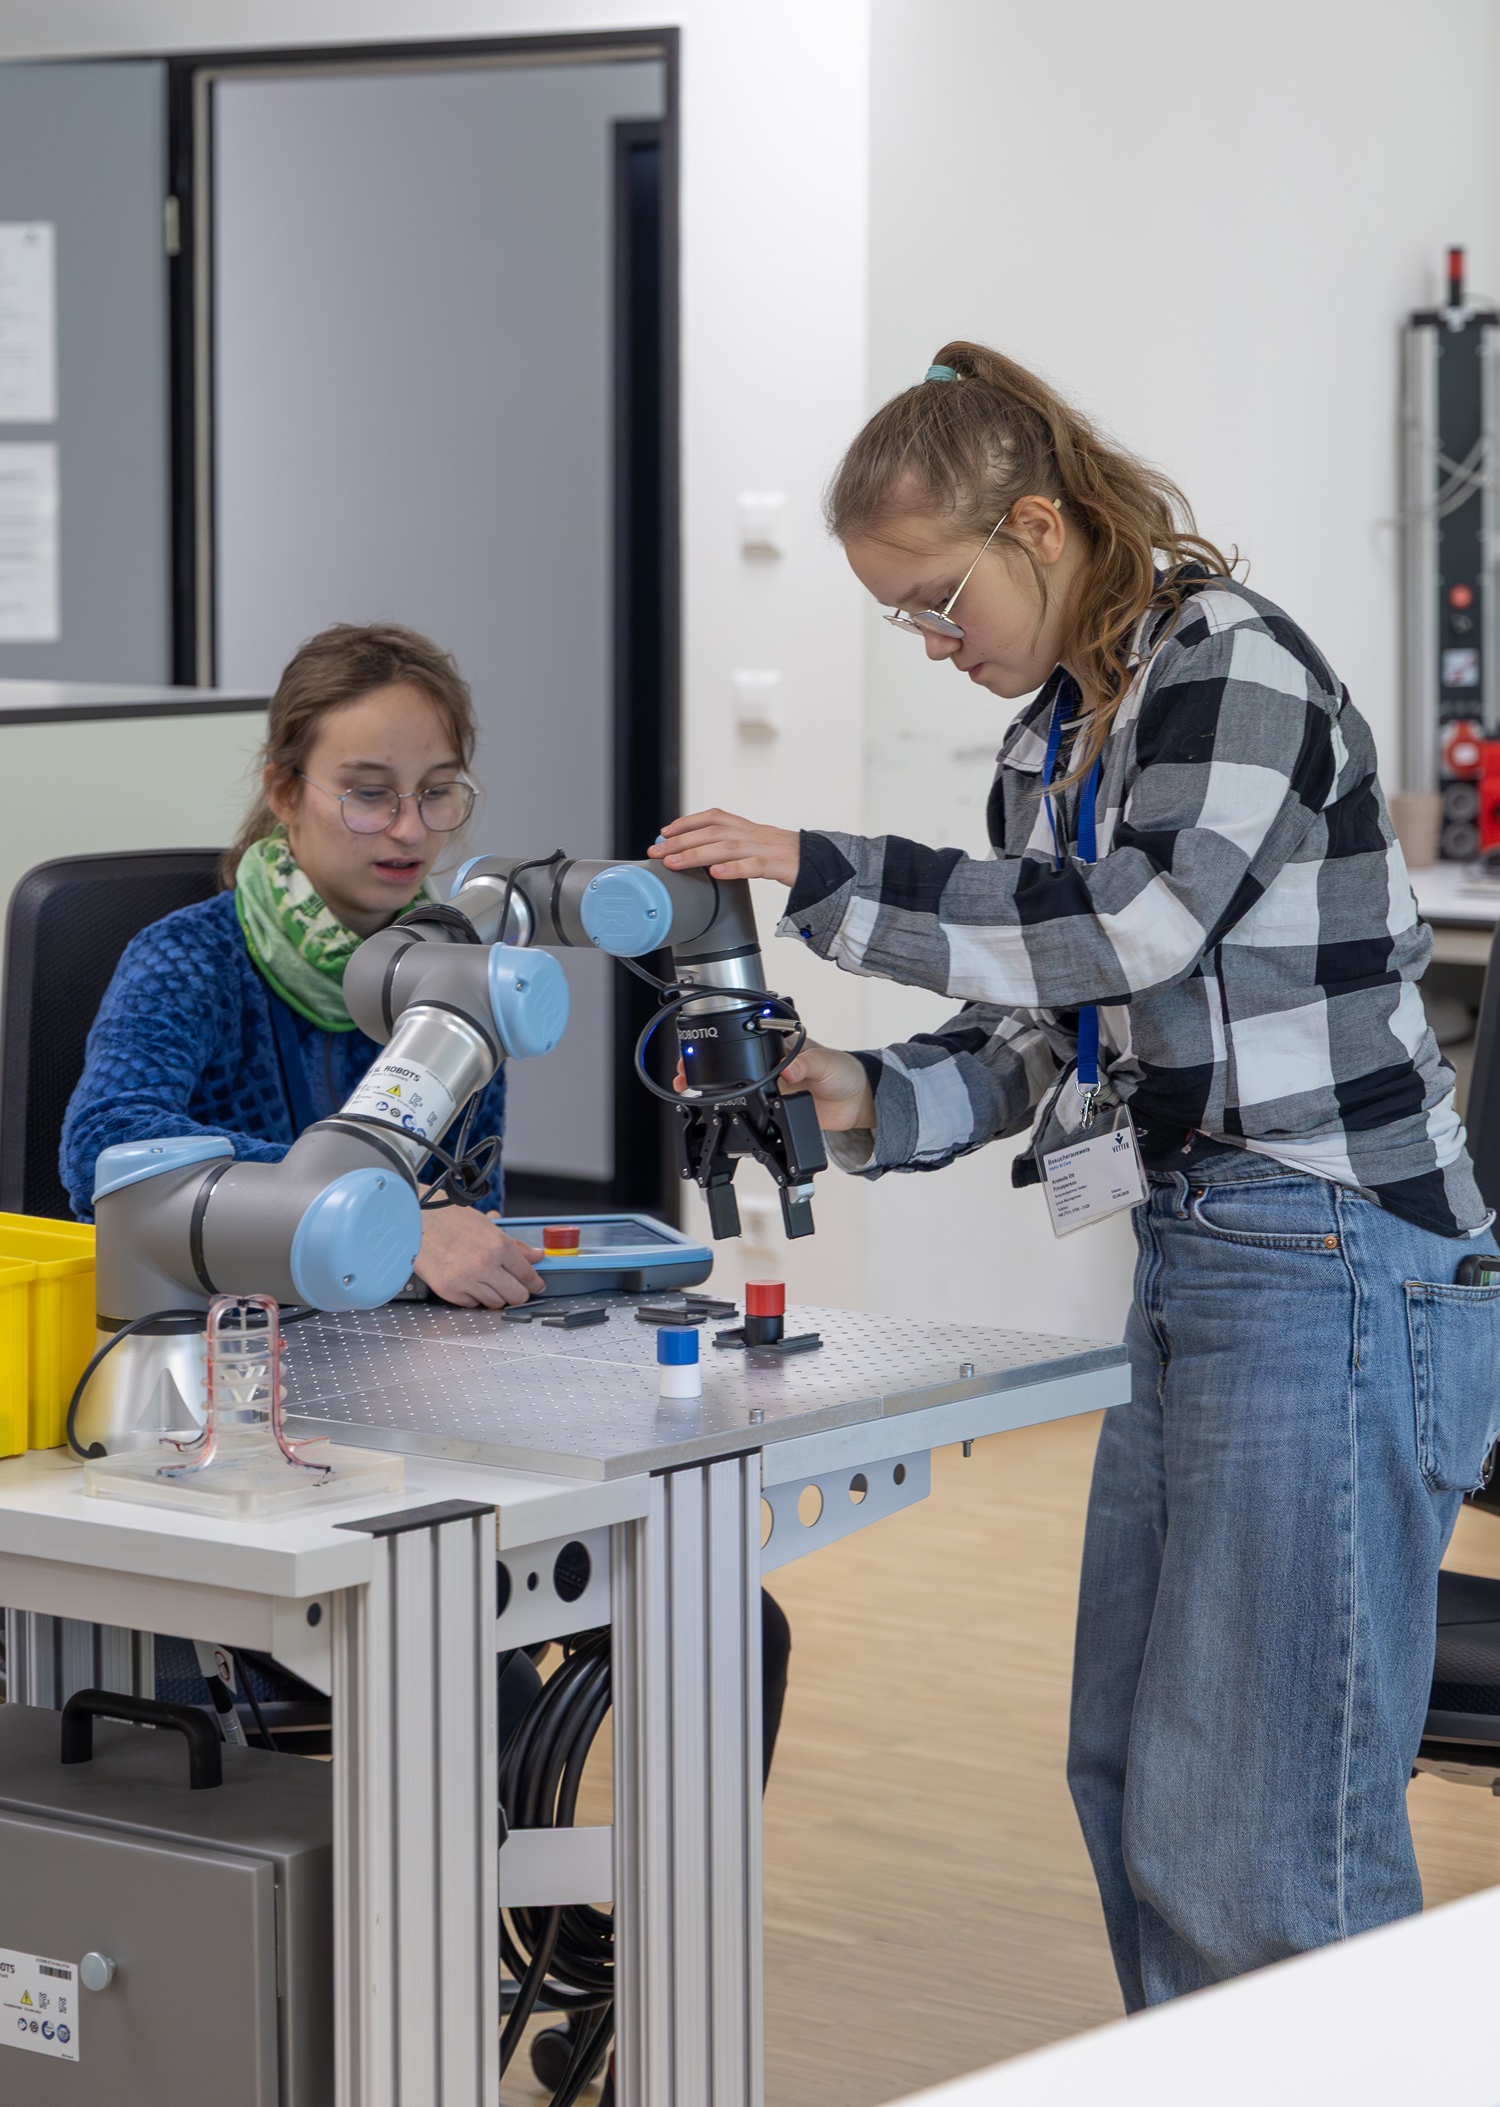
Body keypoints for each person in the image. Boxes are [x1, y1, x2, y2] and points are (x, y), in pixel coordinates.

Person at [649, 341, 1500, 2008]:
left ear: (1037, 525)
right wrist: (855, 1099)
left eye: (940, 600)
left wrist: (819, 870)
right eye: (902, 617)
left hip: (1333, 1264)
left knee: (1261, 1833)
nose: (933, 642)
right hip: (1203, 1254)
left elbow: (1135, 927)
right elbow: (1062, 1033)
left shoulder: (1230, 671)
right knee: (1130, 1780)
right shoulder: (1056, 741)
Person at [62, 620, 546, 1309]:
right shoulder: (189, 957)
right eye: (369, 794)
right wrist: (388, 1209)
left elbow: (467, 1201)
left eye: (436, 791)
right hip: (218, 1345)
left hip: (393, 1339)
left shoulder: (456, 976)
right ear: (285, 793)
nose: (410, 830)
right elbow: (105, 1147)